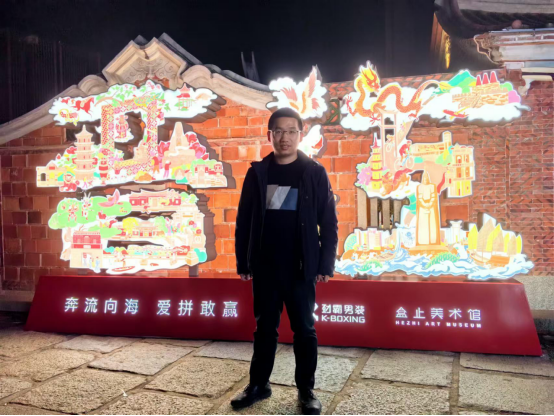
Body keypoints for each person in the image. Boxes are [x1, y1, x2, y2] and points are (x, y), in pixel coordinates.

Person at [232, 108, 339, 415]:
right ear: (270, 135)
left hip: (301, 267)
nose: (285, 137)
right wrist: (243, 261)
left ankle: (306, 390)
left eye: (291, 131)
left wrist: (325, 264)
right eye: (278, 131)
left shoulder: (314, 172)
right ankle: (258, 385)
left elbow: (328, 221)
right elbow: (244, 220)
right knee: (264, 329)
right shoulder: (258, 173)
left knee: (304, 329)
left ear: (300, 135)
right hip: (266, 265)